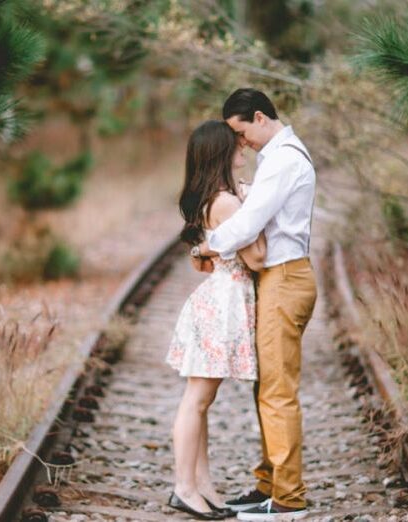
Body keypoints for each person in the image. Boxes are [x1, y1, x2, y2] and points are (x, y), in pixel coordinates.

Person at [195, 88, 317, 520]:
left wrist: (207, 247)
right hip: (278, 280)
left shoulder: (283, 159)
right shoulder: (276, 157)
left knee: (277, 391)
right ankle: (269, 484)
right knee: (265, 386)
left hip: (285, 279)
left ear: (260, 117)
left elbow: (248, 224)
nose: (239, 142)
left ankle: (288, 500)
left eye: (240, 131)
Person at [166, 120, 267, 521]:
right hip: (222, 302)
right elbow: (256, 257)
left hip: (219, 298)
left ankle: (202, 485)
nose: (243, 147)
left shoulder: (221, 196)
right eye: (235, 144)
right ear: (221, 153)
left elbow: (208, 256)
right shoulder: (226, 201)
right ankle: (184, 487)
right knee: (197, 399)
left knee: (202, 401)